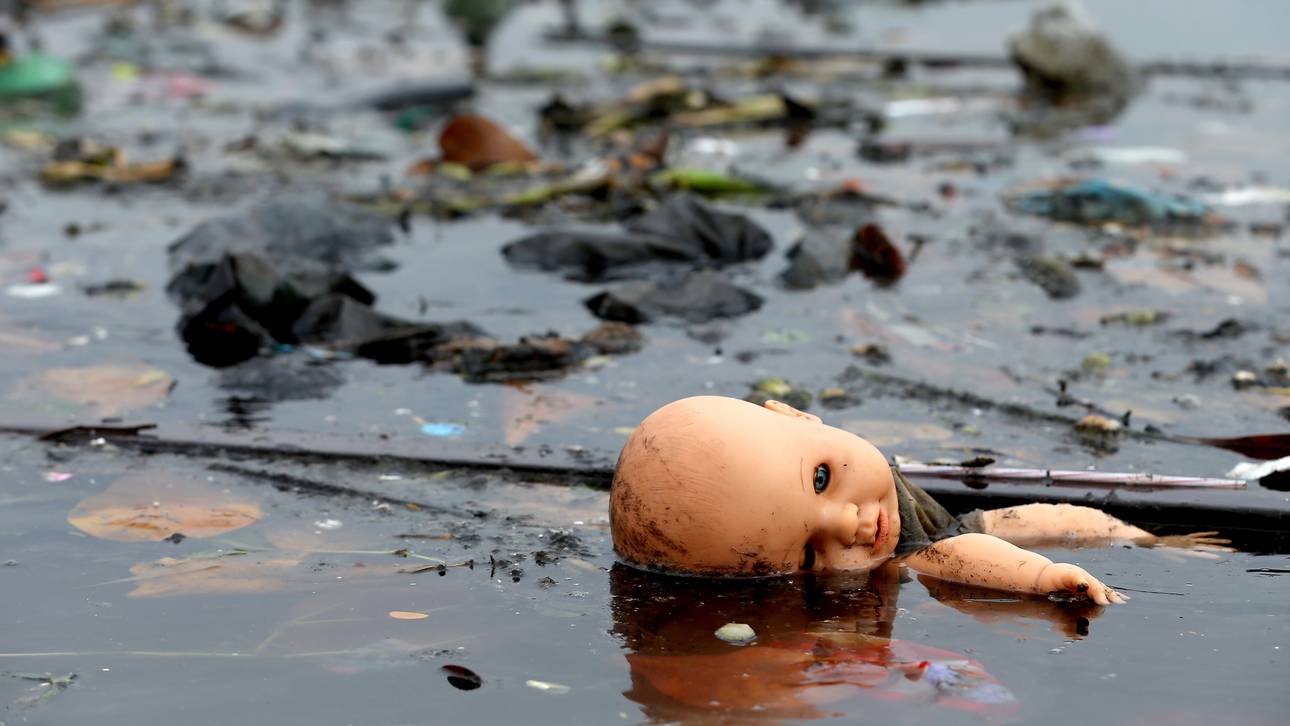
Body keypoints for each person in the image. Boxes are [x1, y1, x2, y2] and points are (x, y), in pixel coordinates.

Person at [610, 396, 1228, 604]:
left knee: (1043, 519)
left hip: (950, 518)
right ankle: (1146, 540)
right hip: (947, 533)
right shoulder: (897, 549)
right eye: (809, 555)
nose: (850, 525)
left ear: (796, 414)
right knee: (991, 533)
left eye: (821, 480)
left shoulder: (853, 493)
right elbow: (957, 556)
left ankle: (1144, 537)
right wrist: (1043, 580)